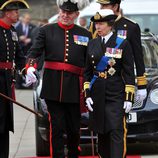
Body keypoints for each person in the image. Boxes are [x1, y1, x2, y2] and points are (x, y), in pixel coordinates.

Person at [25, 0, 91, 157]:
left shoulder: (85, 34)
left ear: (77, 14)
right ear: (59, 10)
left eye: (69, 13)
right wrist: (31, 67)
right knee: (56, 127)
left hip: (75, 87)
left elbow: (90, 61)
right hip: (53, 86)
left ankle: (74, 153)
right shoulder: (46, 31)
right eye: (63, 12)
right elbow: (34, 52)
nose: (65, 15)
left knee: (74, 128)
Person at [83, 9, 135, 158]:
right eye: (96, 24)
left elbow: (129, 72)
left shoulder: (122, 43)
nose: (97, 27)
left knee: (116, 132)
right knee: (102, 133)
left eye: (101, 24)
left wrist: (128, 97)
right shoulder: (92, 44)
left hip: (115, 95)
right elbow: (87, 72)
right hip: (97, 95)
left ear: (110, 24)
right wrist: (87, 94)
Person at [89, 0, 147, 102]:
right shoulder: (95, 25)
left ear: (115, 6)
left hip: (121, 80)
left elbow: (138, 57)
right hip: (99, 81)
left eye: (105, 5)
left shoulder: (130, 26)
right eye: (101, 5)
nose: (101, 8)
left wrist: (142, 85)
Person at [0, 0, 29, 157]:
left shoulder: (12, 30)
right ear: (7, 12)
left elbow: (19, 56)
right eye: (16, 11)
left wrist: (25, 70)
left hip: (6, 80)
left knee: (5, 122)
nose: (18, 14)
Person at [15, 12, 35, 89]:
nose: (28, 20)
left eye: (29, 19)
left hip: (29, 49)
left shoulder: (32, 27)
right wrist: (20, 38)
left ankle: (29, 84)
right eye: (26, 18)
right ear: (23, 18)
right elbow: (14, 36)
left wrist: (30, 40)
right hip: (20, 49)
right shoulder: (17, 27)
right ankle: (18, 84)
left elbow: (35, 36)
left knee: (29, 66)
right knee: (19, 66)